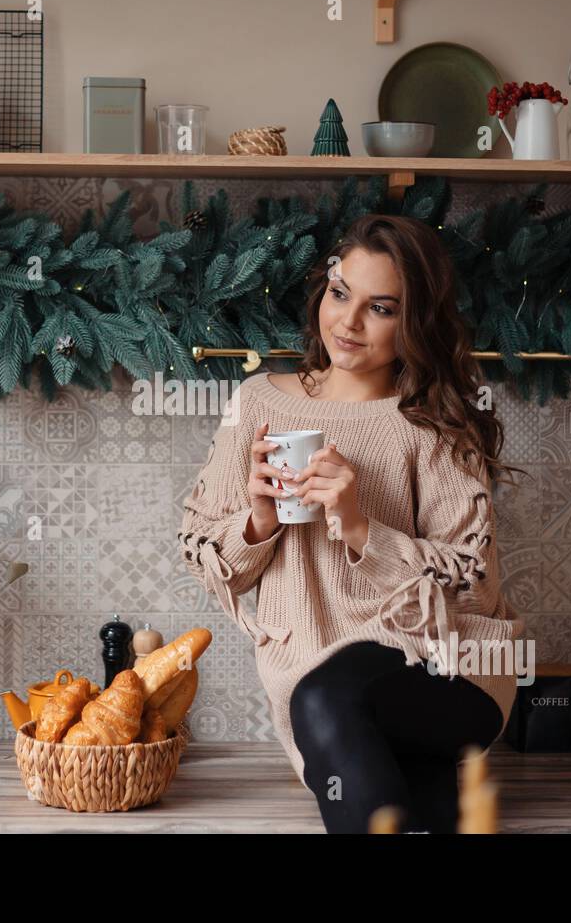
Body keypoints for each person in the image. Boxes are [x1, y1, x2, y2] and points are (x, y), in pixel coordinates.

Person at [178, 214, 528, 833]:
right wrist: (259, 520)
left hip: (448, 670)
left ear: (414, 322)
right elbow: (205, 555)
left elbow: (472, 583)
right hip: (323, 684)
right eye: (341, 294)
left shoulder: (432, 421)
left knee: (329, 696)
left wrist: (362, 527)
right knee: (407, 789)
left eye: (381, 308)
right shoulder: (258, 403)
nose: (349, 322)